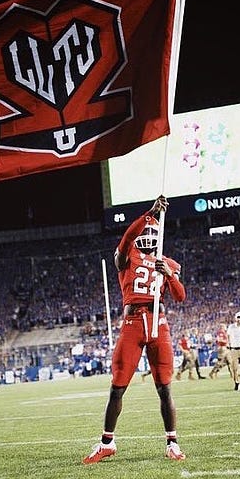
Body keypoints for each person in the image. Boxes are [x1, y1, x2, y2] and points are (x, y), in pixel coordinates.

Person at [83, 196, 187, 464]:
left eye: (154, 230)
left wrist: (169, 275)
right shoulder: (127, 257)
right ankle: (107, 442)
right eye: (146, 230)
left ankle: (172, 443)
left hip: (158, 323)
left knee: (164, 388)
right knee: (117, 387)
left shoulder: (168, 262)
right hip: (132, 324)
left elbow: (180, 297)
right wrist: (149, 213)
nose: (148, 234)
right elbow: (127, 238)